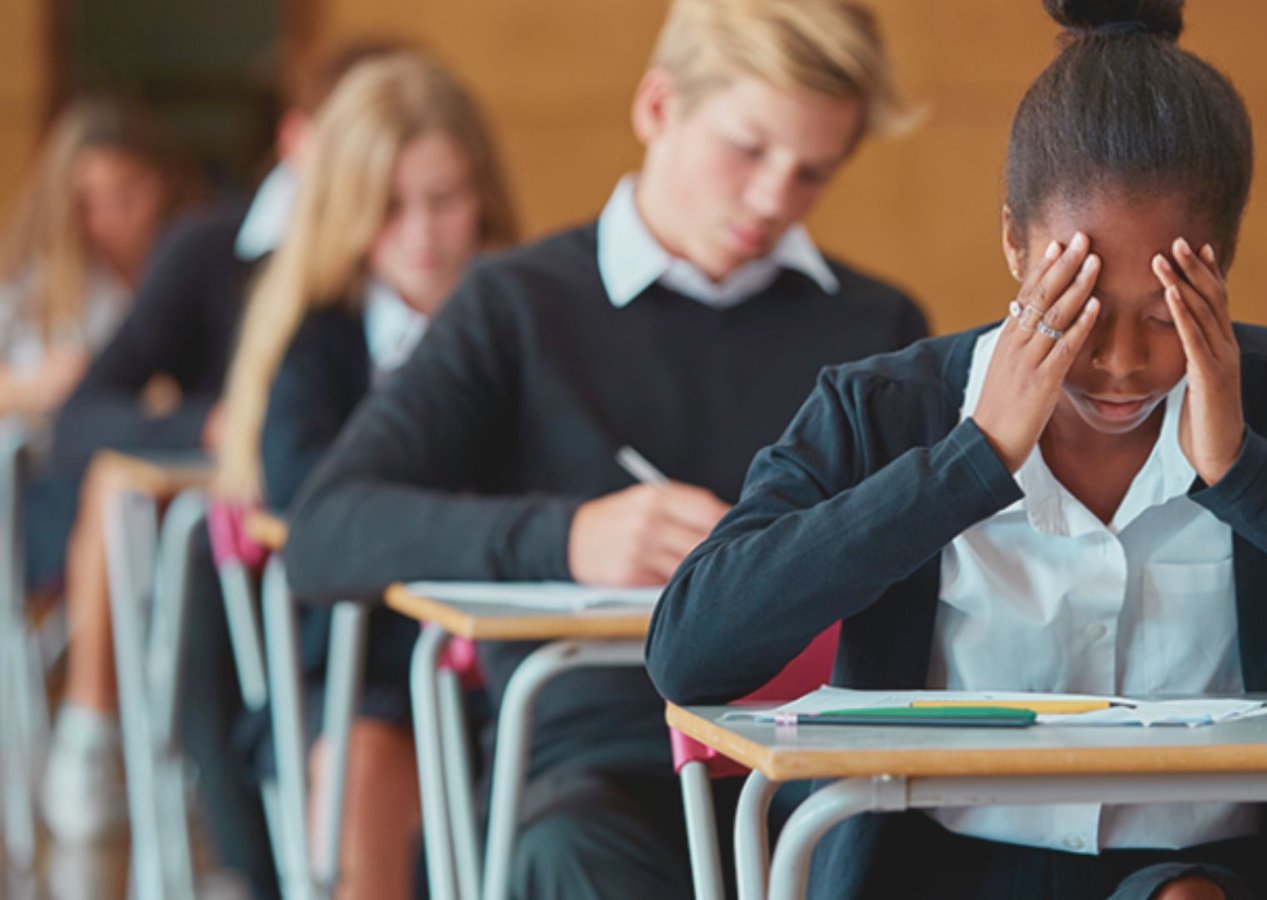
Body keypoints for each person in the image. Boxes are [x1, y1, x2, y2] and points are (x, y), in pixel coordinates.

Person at [645, 2, 1267, 898]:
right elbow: (690, 649)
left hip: (1200, 878)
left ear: (1219, 265)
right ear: (1012, 243)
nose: (1118, 364)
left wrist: (1245, 476)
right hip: (940, 874)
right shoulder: (884, 407)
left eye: (1161, 316)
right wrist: (972, 460)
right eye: (1076, 308)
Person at [283, 1, 927, 895]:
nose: (775, 198)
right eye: (748, 150)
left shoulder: (874, 326)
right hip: (598, 768)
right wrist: (570, 539)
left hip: (818, 761)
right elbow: (326, 532)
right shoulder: (517, 306)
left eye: (813, 172)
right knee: (579, 854)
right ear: (658, 108)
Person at [36, 39, 402, 860]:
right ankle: (109, 742)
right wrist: (207, 423)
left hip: (357, 559)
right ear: (299, 140)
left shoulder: (437, 273)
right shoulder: (209, 249)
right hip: (238, 534)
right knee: (188, 537)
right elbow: (80, 416)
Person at [212, 50, 518, 900]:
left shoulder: (527, 321)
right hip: (354, 675)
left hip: (505, 658)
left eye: (443, 199)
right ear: (346, 209)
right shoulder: (315, 341)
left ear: (483, 196)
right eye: (388, 207)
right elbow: (317, 506)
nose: (420, 232)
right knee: (370, 759)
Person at [1, 95, 199, 578]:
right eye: (92, 200)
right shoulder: (37, 285)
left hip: (159, 471)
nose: (113, 215)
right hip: (55, 481)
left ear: (161, 184)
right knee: (112, 493)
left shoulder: (185, 269)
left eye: (129, 192)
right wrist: (36, 384)